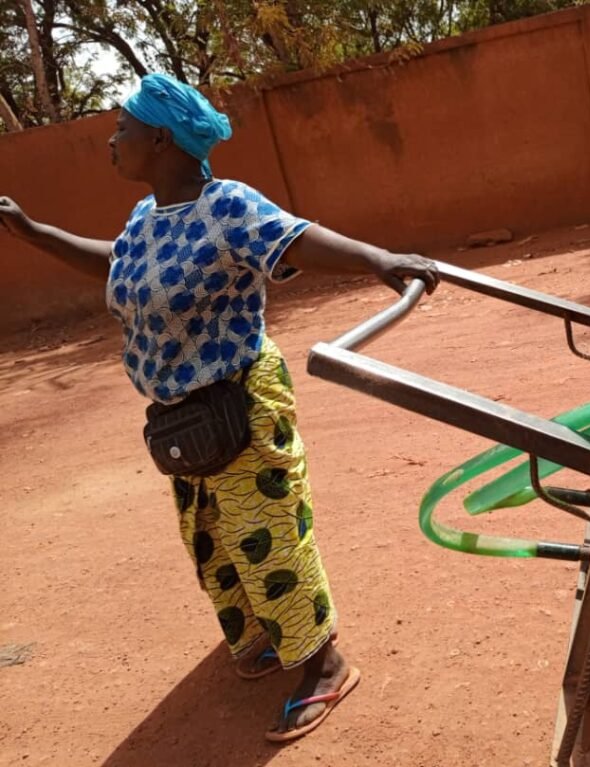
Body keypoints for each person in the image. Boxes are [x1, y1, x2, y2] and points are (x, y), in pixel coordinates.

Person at [0, 73, 439, 742]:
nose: (112, 142)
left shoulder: (226, 207)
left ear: (161, 139)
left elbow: (295, 238)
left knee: (265, 531)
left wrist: (380, 260)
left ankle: (325, 660)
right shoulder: (145, 220)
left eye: (123, 129)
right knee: (211, 540)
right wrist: (29, 231)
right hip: (183, 418)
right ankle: (265, 631)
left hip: (240, 402)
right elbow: (115, 264)